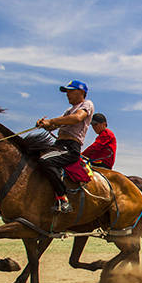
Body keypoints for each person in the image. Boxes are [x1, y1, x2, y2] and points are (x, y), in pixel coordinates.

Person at [36, 80, 94, 213]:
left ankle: (63, 199)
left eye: (70, 91)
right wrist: (45, 124)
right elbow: (55, 125)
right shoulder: (69, 110)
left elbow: (77, 118)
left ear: (81, 92)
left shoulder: (87, 104)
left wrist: (51, 121)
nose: (67, 94)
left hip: (70, 147)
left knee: (45, 160)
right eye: (66, 92)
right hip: (59, 145)